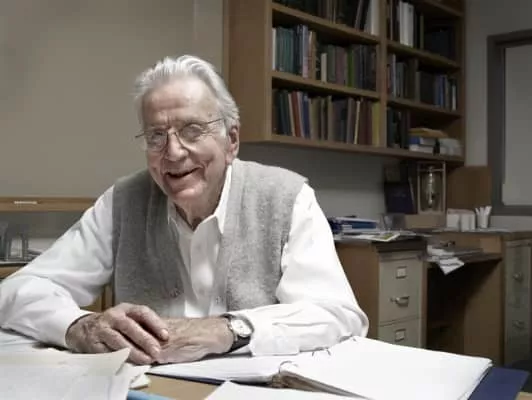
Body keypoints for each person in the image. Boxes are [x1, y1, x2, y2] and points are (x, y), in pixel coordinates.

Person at [0, 55, 368, 365]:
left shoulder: (286, 197)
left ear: (231, 141)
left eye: (192, 130)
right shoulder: (124, 201)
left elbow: (337, 314)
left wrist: (228, 329)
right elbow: (18, 291)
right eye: (156, 136)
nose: (173, 153)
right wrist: (78, 326)